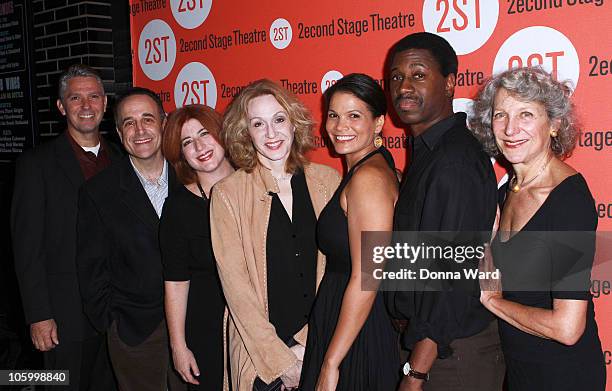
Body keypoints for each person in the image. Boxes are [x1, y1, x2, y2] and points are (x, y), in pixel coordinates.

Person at [471, 66, 606, 390]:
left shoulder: (568, 200)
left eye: (526, 114)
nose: (510, 127)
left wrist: (494, 302)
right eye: (501, 114)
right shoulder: (507, 190)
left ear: (555, 125)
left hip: (564, 376)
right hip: (519, 369)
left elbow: (567, 328)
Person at [383, 32, 505, 391]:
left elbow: (450, 276)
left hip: (450, 355)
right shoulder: (430, 152)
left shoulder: (453, 161)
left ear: (450, 83)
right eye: (395, 77)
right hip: (434, 347)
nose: (404, 86)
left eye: (418, 74)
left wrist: (416, 373)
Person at [209, 79, 341, 391]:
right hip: (261, 357)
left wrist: (308, 344)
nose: (270, 134)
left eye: (279, 120)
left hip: (323, 343)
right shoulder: (228, 194)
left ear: (294, 123)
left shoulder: (329, 181)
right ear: (246, 132)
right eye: (258, 124)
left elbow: (342, 271)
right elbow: (236, 290)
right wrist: (284, 362)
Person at [11, 64, 120, 391]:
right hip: (63, 315)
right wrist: (39, 315)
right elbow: (27, 247)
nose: (86, 106)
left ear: (104, 103)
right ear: (61, 107)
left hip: (115, 315)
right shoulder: (36, 164)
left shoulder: (121, 159)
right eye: (75, 98)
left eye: (93, 97)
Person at [76, 87, 183, 391]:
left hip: (193, 324)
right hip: (136, 332)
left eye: (148, 119)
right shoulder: (98, 192)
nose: (139, 130)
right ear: (120, 134)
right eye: (129, 123)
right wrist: (113, 324)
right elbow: (91, 270)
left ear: (164, 122)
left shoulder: (191, 176)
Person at [299, 73, 400, 391]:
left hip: (358, 330)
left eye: (354, 115)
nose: (340, 126)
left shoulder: (368, 180)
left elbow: (368, 275)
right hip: (350, 320)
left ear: (379, 123)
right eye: (333, 115)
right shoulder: (379, 168)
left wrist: (331, 363)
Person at [160, 104, 234, 390]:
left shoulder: (256, 184)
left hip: (263, 323)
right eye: (187, 142)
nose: (199, 146)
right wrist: (178, 346)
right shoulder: (178, 207)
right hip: (206, 328)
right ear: (181, 155)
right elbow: (176, 282)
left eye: (205, 134)